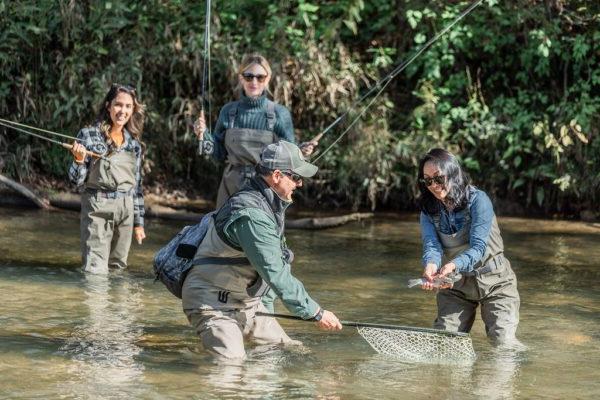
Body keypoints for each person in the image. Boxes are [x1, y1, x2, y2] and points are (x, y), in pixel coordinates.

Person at [182, 141, 342, 359]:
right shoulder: (253, 215)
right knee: (232, 367)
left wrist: (266, 309)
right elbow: (274, 272)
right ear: (277, 176)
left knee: (291, 352)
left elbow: (267, 269)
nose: (300, 184)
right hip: (212, 302)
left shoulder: (270, 203)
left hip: (246, 303)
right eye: (295, 177)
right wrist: (315, 312)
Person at [417, 148, 520, 345]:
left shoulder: (479, 200)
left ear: (453, 172)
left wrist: (452, 265)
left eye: (438, 178)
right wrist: (430, 266)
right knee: (443, 343)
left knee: (503, 343)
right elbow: (432, 246)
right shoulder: (427, 210)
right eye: (427, 180)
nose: (433, 186)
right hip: (456, 285)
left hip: (497, 282)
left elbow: (478, 247)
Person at [194, 53, 318, 208]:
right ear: (241, 78)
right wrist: (203, 134)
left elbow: (288, 158)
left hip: (266, 188)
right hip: (230, 188)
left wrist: (302, 153)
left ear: (268, 79)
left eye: (260, 77)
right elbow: (218, 153)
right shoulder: (228, 111)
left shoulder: (280, 113)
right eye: (248, 76)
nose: (254, 82)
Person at [69, 84, 146, 274]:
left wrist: (138, 223)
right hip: (97, 207)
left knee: (118, 270)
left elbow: (136, 187)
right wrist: (78, 160)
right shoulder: (88, 135)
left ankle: (116, 305)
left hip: (126, 211)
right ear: (108, 106)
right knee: (95, 271)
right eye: (118, 105)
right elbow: (75, 181)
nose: (123, 111)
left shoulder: (134, 143)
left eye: (128, 106)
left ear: (133, 110)